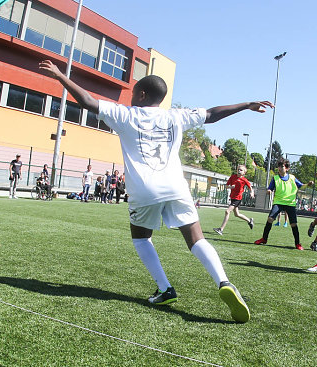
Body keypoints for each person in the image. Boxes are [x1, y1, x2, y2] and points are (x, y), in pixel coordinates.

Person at [39, 59, 274, 323]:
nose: (129, 98)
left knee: (141, 238)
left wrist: (60, 75)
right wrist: (246, 104)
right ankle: (224, 282)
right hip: (176, 186)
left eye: (132, 94)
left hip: (144, 190)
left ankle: (165, 289)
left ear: (141, 94)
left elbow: (88, 101)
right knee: (196, 240)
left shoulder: (126, 114)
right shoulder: (176, 115)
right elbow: (212, 114)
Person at [254, 158, 313, 250]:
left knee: (293, 224)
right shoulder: (275, 178)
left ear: (287, 168)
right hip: (278, 202)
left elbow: (301, 185)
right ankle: (264, 239)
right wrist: (269, 191)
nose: (280, 168)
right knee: (270, 219)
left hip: (290, 203)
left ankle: (298, 244)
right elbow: (270, 188)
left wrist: (308, 184)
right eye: (279, 166)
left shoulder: (292, 178)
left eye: (282, 166)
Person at [213, 165, 254, 236]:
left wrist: (252, 192)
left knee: (227, 211)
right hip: (232, 198)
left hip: (237, 198)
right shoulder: (233, 177)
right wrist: (230, 187)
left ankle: (221, 229)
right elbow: (226, 186)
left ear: (244, 173)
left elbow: (250, 187)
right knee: (237, 214)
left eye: (241, 170)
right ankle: (249, 220)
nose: (239, 171)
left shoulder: (244, 180)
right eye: (238, 169)